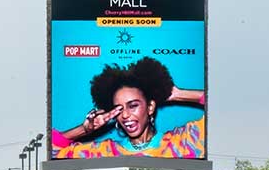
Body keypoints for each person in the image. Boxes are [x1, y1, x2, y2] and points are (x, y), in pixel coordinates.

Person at [53, 58, 205, 158]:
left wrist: (179, 94)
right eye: (119, 109)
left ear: (150, 107)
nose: (125, 115)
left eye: (133, 106)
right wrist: (84, 130)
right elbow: (52, 150)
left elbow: (220, 109)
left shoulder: (182, 143)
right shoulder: (105, 153)